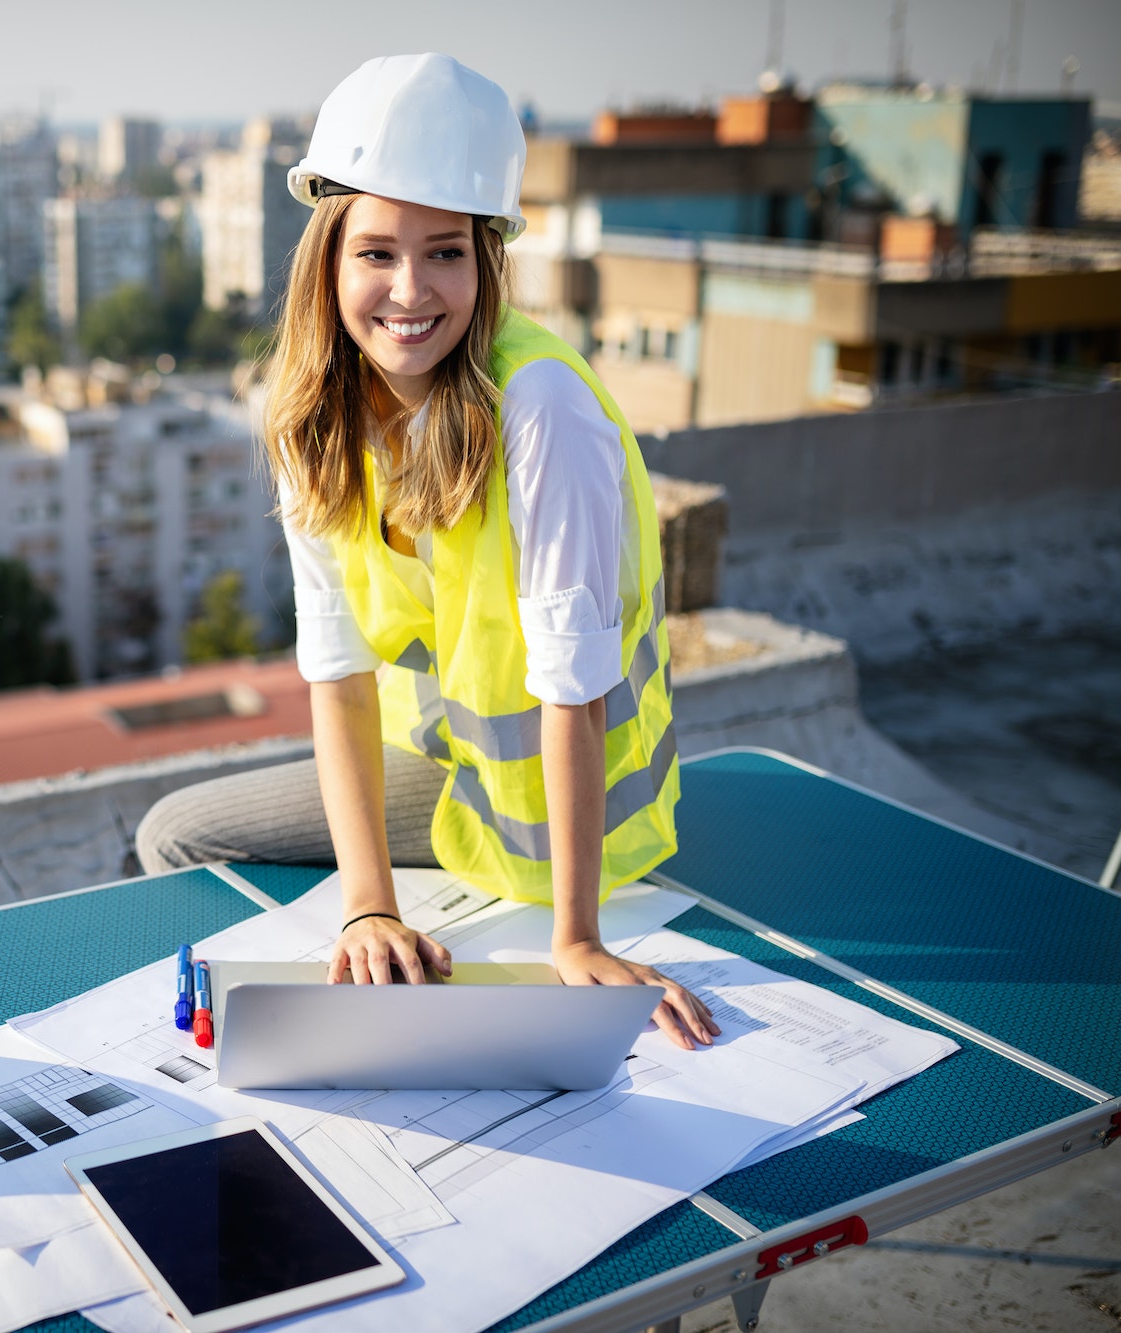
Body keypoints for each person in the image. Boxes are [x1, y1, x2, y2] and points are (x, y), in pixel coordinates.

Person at [136, 53, 718, 1049]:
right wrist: (367, 906)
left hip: (556, 822)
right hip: (445, 776)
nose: (409, 291)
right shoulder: (308, 416)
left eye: (443, 252)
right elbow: (339, 676)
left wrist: (574, 938)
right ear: (326, 259)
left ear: (488, 261)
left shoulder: (538, 407)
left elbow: (570, 690)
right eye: (376, 253)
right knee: (172, 833)